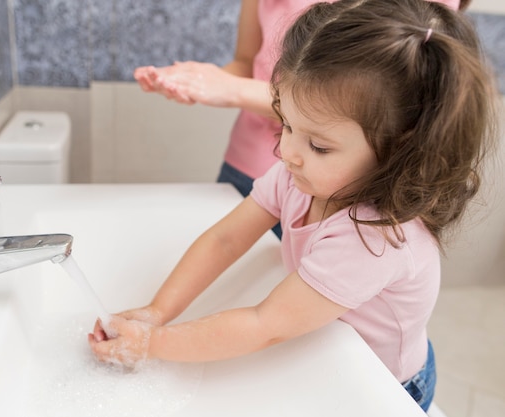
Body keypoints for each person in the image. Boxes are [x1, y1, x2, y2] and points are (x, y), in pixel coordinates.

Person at [89, 0, 498, 411]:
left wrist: (152, 344)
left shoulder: (374, 237)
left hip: (384, 383)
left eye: (318, 145)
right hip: (332, 348)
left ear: (399, 149)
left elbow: (264, 324)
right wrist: (157, 311)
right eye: (286, 122)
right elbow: (226, 240)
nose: (287, 152)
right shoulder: (301, 176)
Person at [135, 0, 472, 239]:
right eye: (290, 128)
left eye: (319, 144)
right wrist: (196, 84)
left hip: (345, 189)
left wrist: (233, 90)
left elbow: (394, 104)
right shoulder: (282, 174)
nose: (288, 154)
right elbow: (246, 62)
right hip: (247, 164)